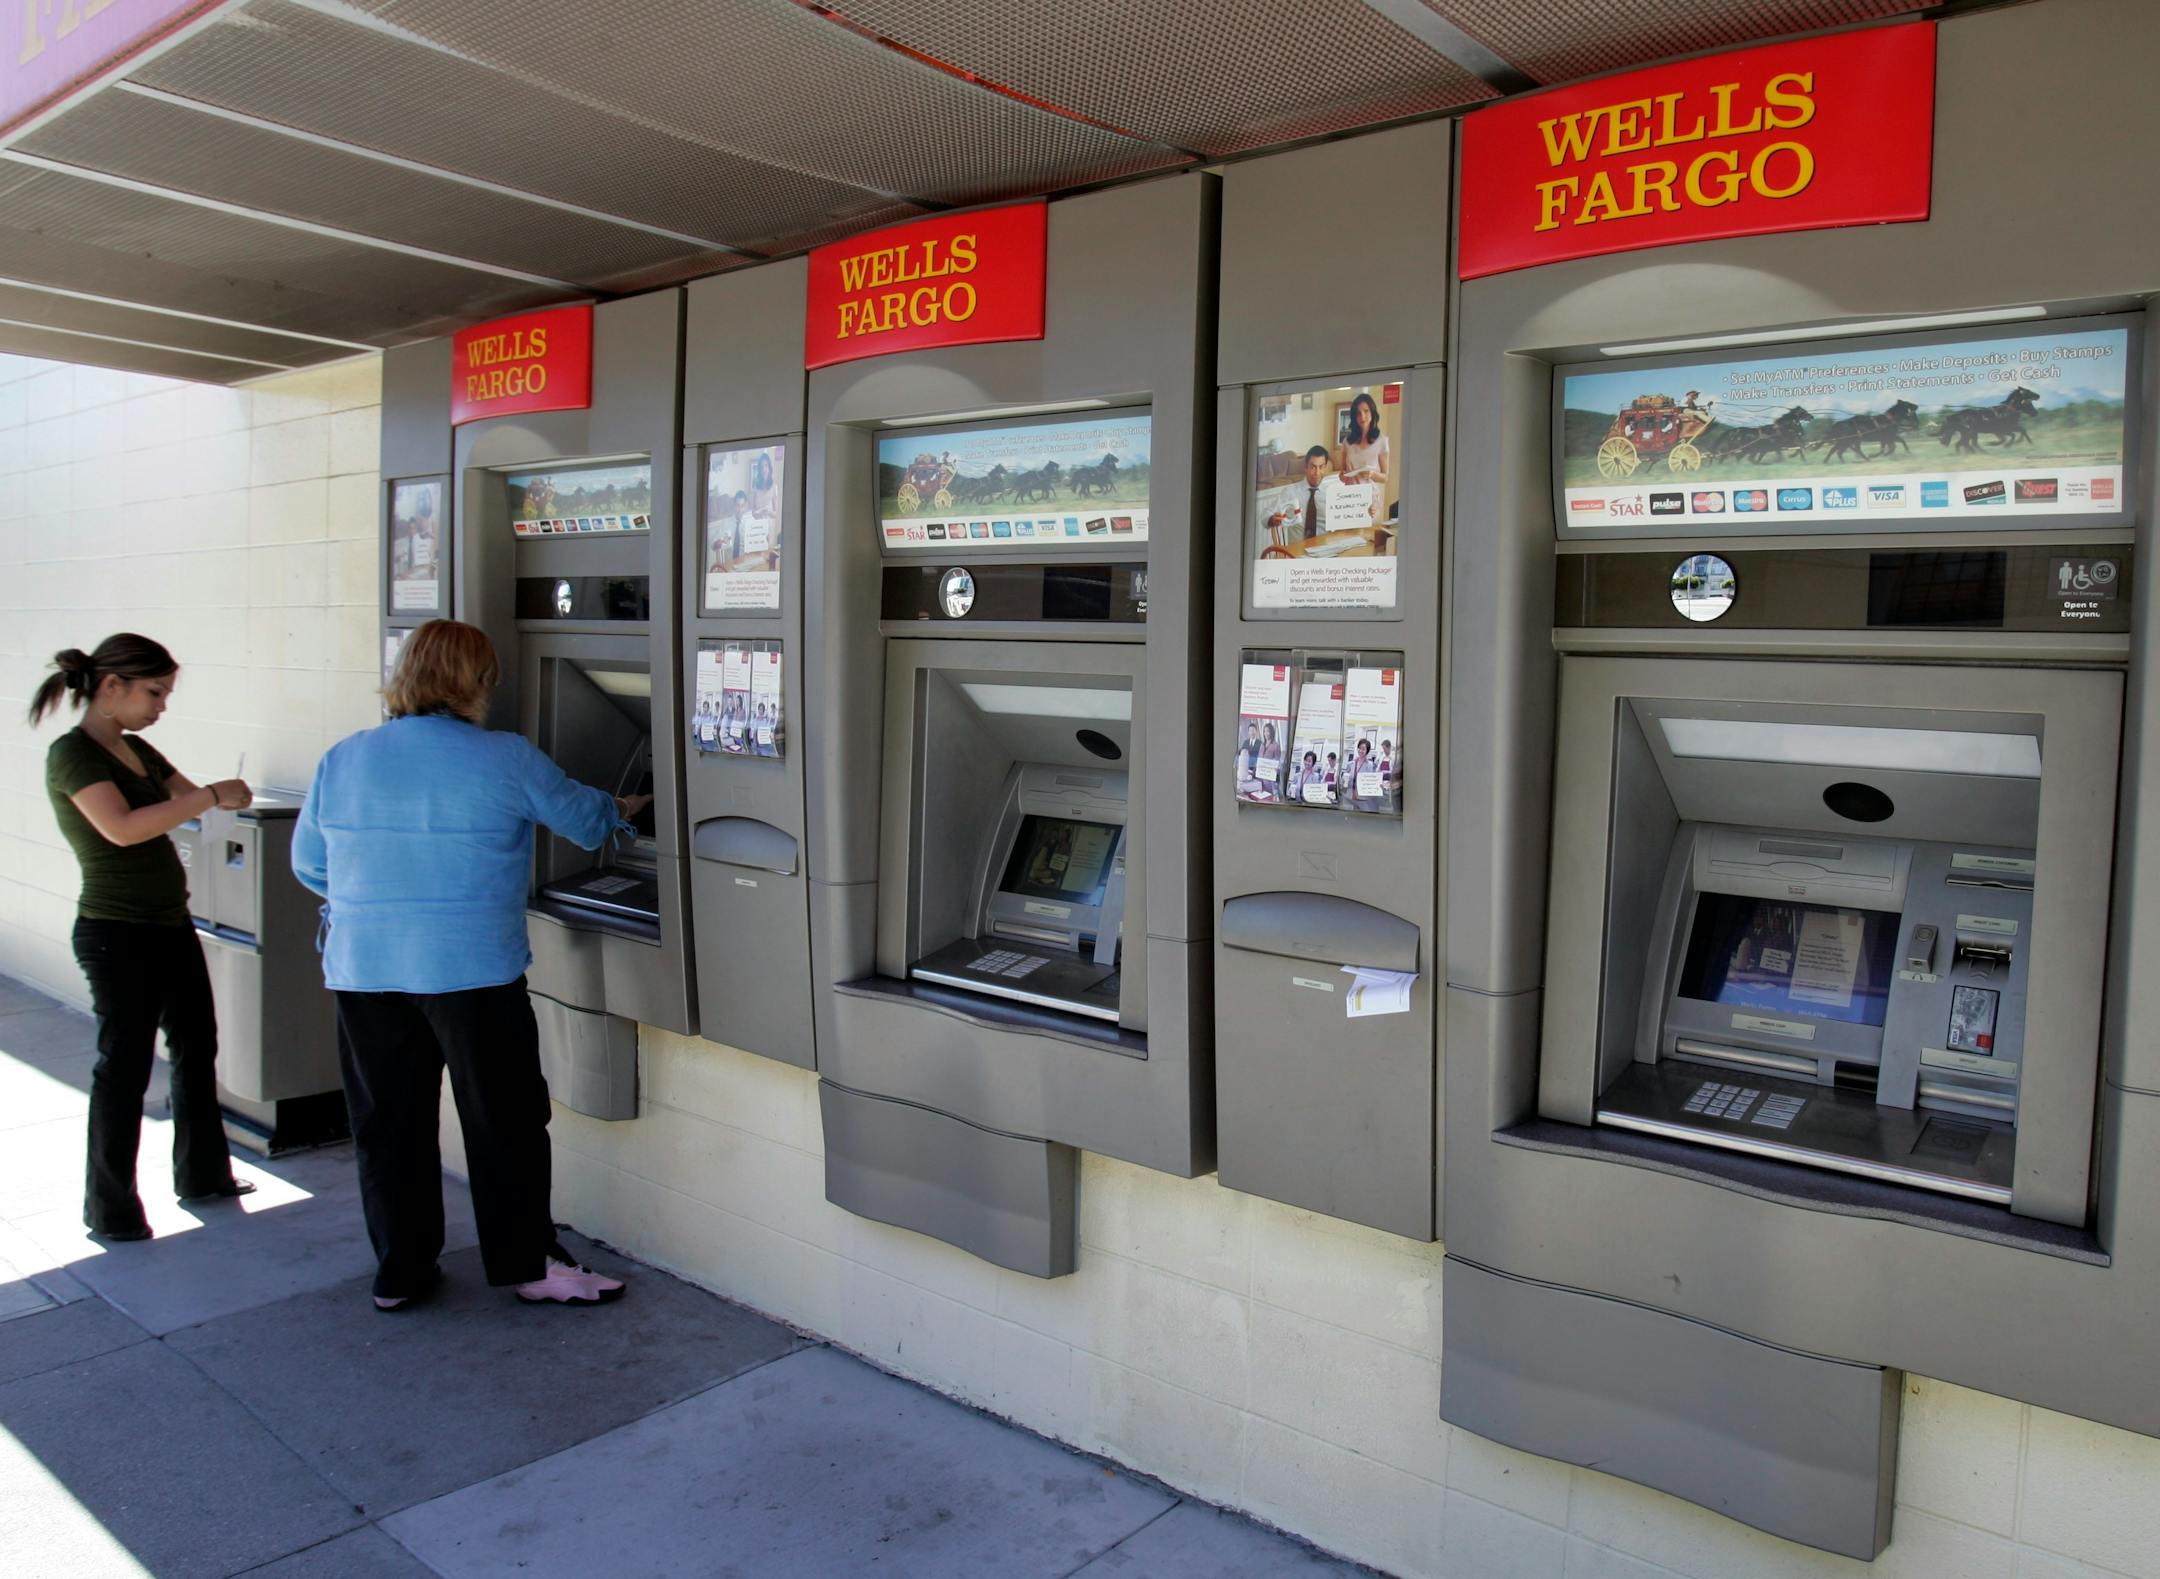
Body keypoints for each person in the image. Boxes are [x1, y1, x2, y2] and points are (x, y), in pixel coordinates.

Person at [292, 621, 646, 1311]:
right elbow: (587, 821)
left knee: (387, 1123)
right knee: (503, 1121)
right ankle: (528, 1263)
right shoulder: (504, 757)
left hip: (365, 970)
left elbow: (311, 864)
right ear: (477, 684)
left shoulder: (345, 757)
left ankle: (400, 1270)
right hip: (472, 973)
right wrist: (630, 806)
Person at [29, 636, 255, 1241]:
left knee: (196, 1047)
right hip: (115, 933)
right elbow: (123, 829)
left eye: (166, 694)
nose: (161, 706)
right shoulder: (72, 756)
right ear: (110, 689)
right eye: (153, 693)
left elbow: (190, 803)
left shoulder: (138, 750)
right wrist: (209, 797)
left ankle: (204, 1175)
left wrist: (222, 796)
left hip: (168, 924)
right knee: (123, 1069)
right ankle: (111, 1207)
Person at [1335, 392, 1389, 525]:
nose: (1362, 416)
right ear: (1354, 416)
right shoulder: (1347, 442)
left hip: (1371, 500)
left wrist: (1372, 474)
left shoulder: (1382, 441)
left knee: (1369, 540)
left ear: (1372, 412)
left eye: (1366, 411)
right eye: (1358, 413)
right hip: (1351, 498)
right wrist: (1343, 476)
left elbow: (1385, 477)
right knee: (1350, 538)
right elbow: (1342, 474)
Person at [1265, 446, 1335, 544]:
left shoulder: (1332, 494)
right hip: (1297, 553)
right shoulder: (1290, 492)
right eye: (1313, 467)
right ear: (1305, 467)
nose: (1317, 473)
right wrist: (1272, 519)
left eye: (1321, 467)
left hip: (1325, 551)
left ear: (1325, 467)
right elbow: (1266, 513)